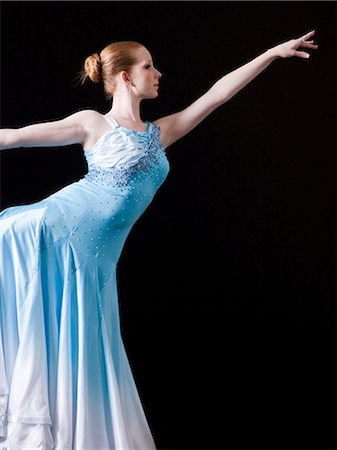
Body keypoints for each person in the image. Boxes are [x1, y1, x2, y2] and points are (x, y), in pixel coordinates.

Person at [0, 31, 318, 449]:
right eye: (149, 66)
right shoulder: (94, 123)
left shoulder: (159, 133)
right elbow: (14, 136)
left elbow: (216, 96)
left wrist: (271, 54)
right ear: (127, 78)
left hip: (95, 264)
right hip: (56, 230)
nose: (158, 73)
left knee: (82, 354)